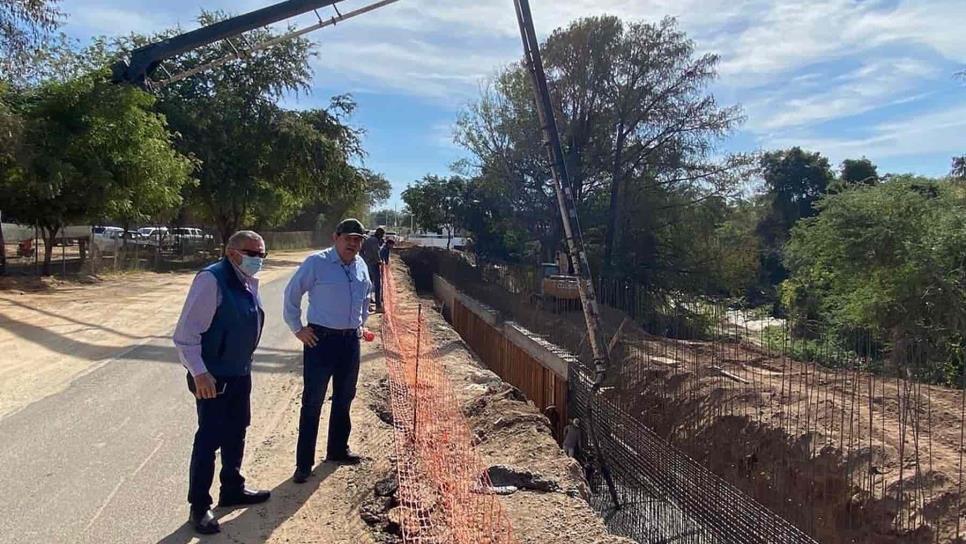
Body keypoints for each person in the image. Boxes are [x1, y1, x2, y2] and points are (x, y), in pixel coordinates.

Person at [172, 230, 271, 535]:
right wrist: (199, 372)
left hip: (240, 371)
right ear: (232, 253)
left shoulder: (246, 280)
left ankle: (232, 487)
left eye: (262, 254)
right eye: (252, 253)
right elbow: (186, 335)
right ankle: (199, 506)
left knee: (237, 430)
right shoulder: (211, 280)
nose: (258, 260)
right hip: (212, 377)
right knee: (209, 440)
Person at [284, 218, 373, 483]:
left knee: (345, 397)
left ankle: (336, 449)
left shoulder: (361, 265)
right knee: (313, 402)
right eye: (349, 238)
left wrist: (362, 324)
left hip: (349, 342)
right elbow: (292, 294)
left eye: (358, 239)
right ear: (336, 237)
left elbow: (366, 296)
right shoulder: (317, 263)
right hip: (320, 341)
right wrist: (298, 329)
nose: (353, 244)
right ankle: (303, 464)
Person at [360, 227, 384, 311]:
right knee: (377, 285)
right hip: (374, 264)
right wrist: (379, 261)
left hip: (367, 264)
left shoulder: (368, 239)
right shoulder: (374, 241)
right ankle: (378, 306)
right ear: (380, 235)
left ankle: (367, 305)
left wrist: (365, 259)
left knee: (368, 285)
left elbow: (361, 251)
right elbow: (376, 252)